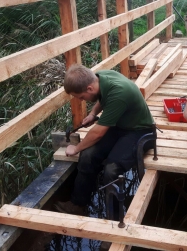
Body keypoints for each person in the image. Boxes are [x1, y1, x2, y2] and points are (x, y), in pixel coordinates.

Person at [55, 64, 154, 215]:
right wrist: (93, 114)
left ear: (89, 88)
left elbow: (98, 133)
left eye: (81, 97)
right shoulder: (99, 78)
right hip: (120, 125)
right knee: (87, 156)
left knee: (111, 170)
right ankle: (78, 205)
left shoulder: (119, 92)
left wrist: (75, 148)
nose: (82, 101)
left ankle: (114, 216)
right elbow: (103, 98)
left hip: (141, 131)